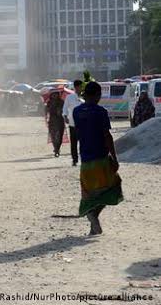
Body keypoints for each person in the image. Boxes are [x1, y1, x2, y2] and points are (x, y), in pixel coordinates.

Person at [73, 81, 123, 236]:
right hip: (101, 159)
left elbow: (75, 135)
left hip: (86, 160)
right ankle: (93, 215)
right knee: (114, 187)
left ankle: (92, 223)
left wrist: (75, 155)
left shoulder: (76, 111)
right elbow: (107, 136)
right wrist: (115, 158)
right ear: (96, 95)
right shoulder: (100, 111)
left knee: (89, 193)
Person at [63, 80, 84, 166]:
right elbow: (65, 108)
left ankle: (84, 158)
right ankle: (74, 159)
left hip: (83, 124)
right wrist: (65, 116)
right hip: (73, 124)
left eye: (81, 87)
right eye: (79, 87)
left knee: (83, 143)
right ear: (75, 87)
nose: (81, 88)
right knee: (74, 143)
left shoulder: (85, 97)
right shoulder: (69, 97)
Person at [46, 91, 65, 158]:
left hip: (60, 121)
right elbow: (47, 111)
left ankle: (57, 149)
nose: (55, 96)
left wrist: (60, 110)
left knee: (59, 136)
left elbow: (64, 111)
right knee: (53, 136)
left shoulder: (62, 102)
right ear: (51, 95)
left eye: (56, 94)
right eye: (53, 94)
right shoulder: (49, 102)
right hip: (52, 121)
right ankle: (56, 149)